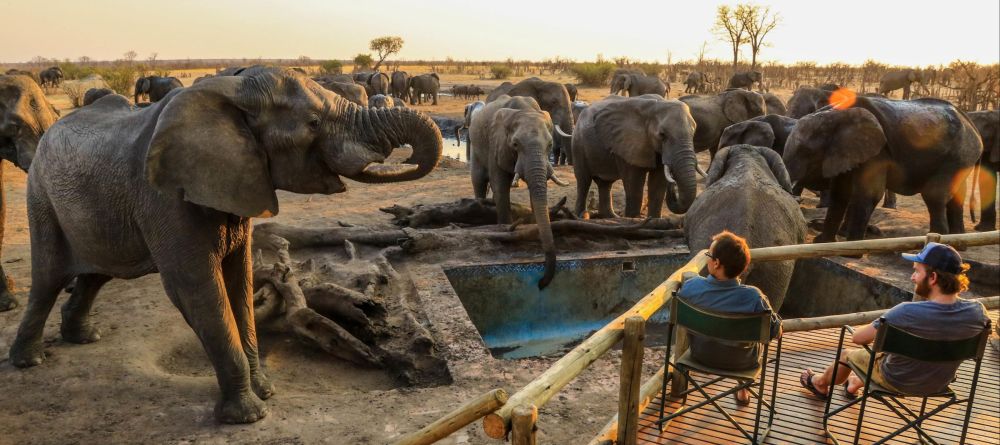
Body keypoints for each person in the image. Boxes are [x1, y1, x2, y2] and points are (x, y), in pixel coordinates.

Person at [800, 242, 990, 398]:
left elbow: (859, 338)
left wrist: (882, 319)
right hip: (939, 383)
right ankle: (853, 385)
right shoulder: (978, 313)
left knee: (848, 354)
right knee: (890, 357)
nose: (912, 277)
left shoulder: (905, 312)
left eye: (917, 271)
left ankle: (819, 383)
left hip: (897, 380)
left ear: (932, 277)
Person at [676, 231, 782, 405]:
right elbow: (776, 333)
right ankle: (743, 388)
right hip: (742, 364)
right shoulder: (754, 297)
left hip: (700, 356)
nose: (708, 258)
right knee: (752, 341)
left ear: (716, 263)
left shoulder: (691, 287)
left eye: (709, 255)